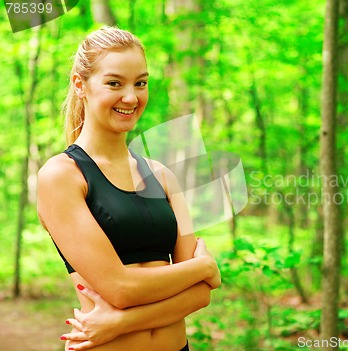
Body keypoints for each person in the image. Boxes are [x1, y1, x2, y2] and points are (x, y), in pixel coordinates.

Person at [37, 27, 221, 351]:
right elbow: (119, 288)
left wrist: (120, 323)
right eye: (114, 83)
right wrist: (201, 266)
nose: (131, 97)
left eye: (141, 83)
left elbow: (201, 293)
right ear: (80, 85)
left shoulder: (162, 176)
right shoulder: (62, 176)